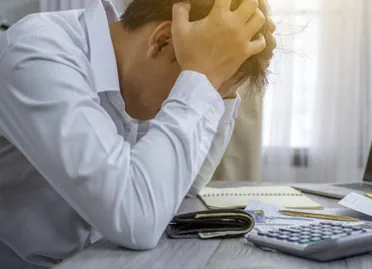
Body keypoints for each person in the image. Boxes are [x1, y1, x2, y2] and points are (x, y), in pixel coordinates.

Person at [0, 0, 276, 267]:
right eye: (198, 82)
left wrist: (224, 89)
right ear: (163, 40)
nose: (201, 98)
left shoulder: (128, 74)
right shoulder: (37, 53)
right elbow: (135, 218)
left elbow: (184, 187)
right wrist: (199, 80)